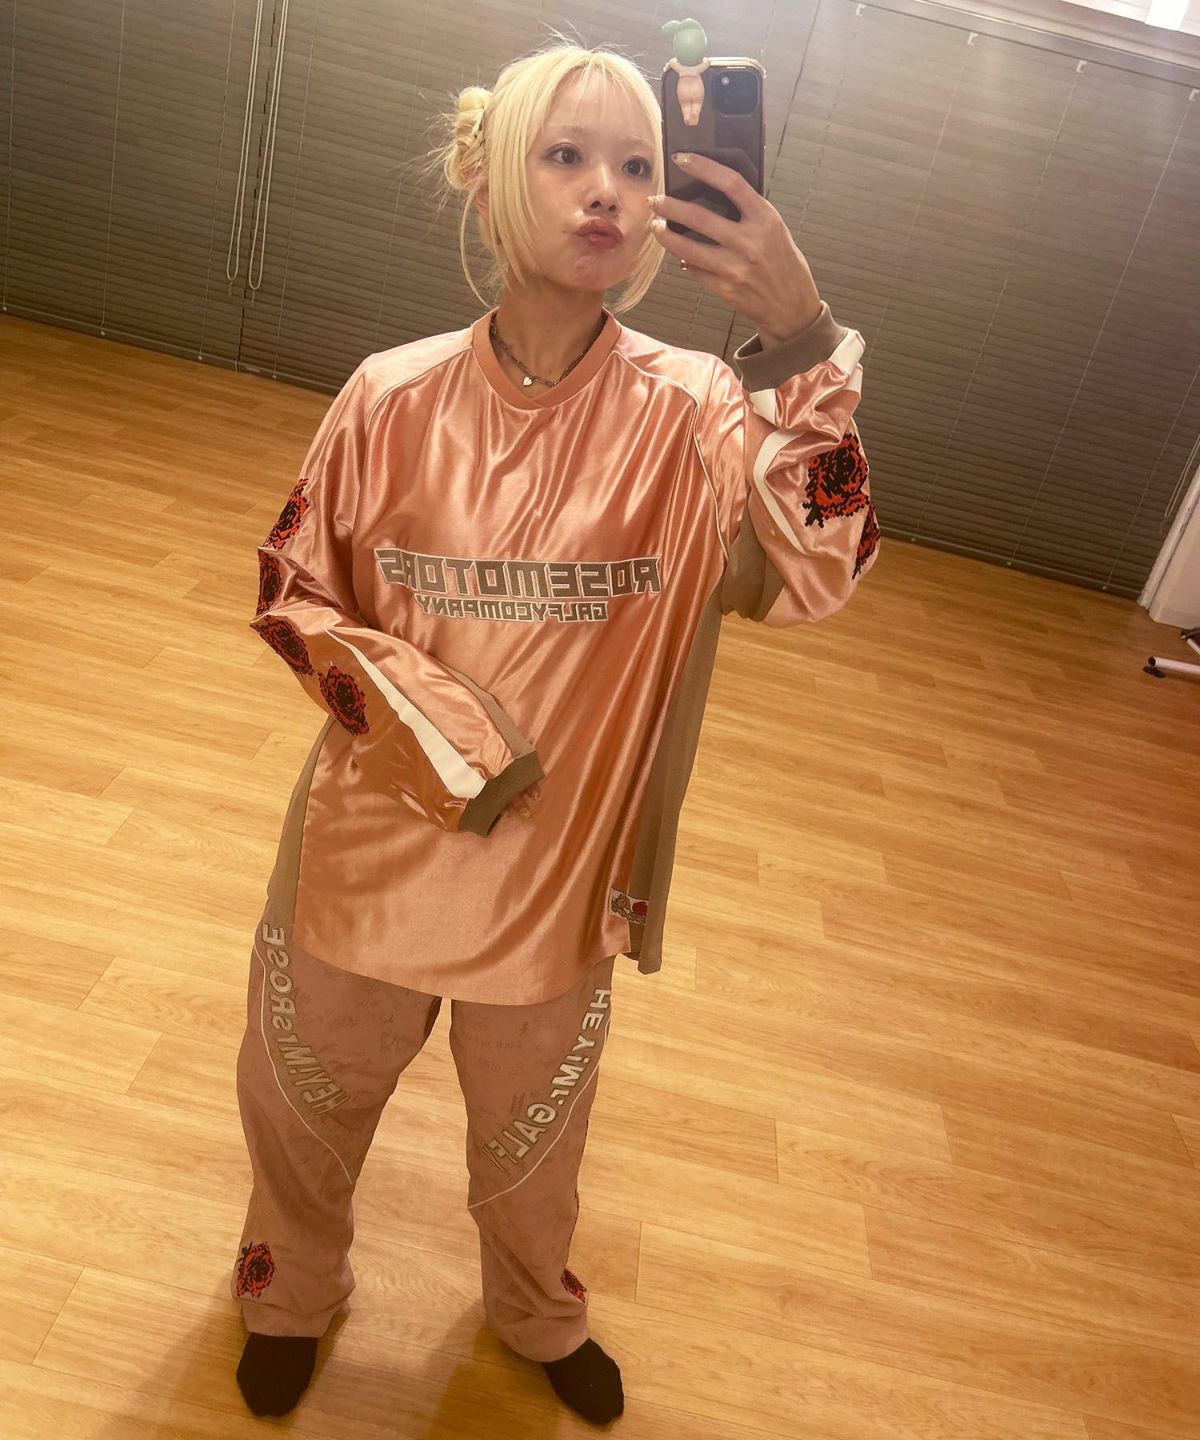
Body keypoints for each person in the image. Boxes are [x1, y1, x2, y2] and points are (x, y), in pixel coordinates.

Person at [229, 29, 880, 1429]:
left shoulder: (700, 414)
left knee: (532, 1147)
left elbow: (822, 571)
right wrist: (451, 744)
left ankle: (533, 1313)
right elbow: (292, 593)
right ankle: (289, 1291)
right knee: (301, 1102)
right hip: (364, 861)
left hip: (558, 887)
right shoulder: (389, 395)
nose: (607, 192)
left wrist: (799, 344)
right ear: (487, 182)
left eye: (639, 166)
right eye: (567, 156)